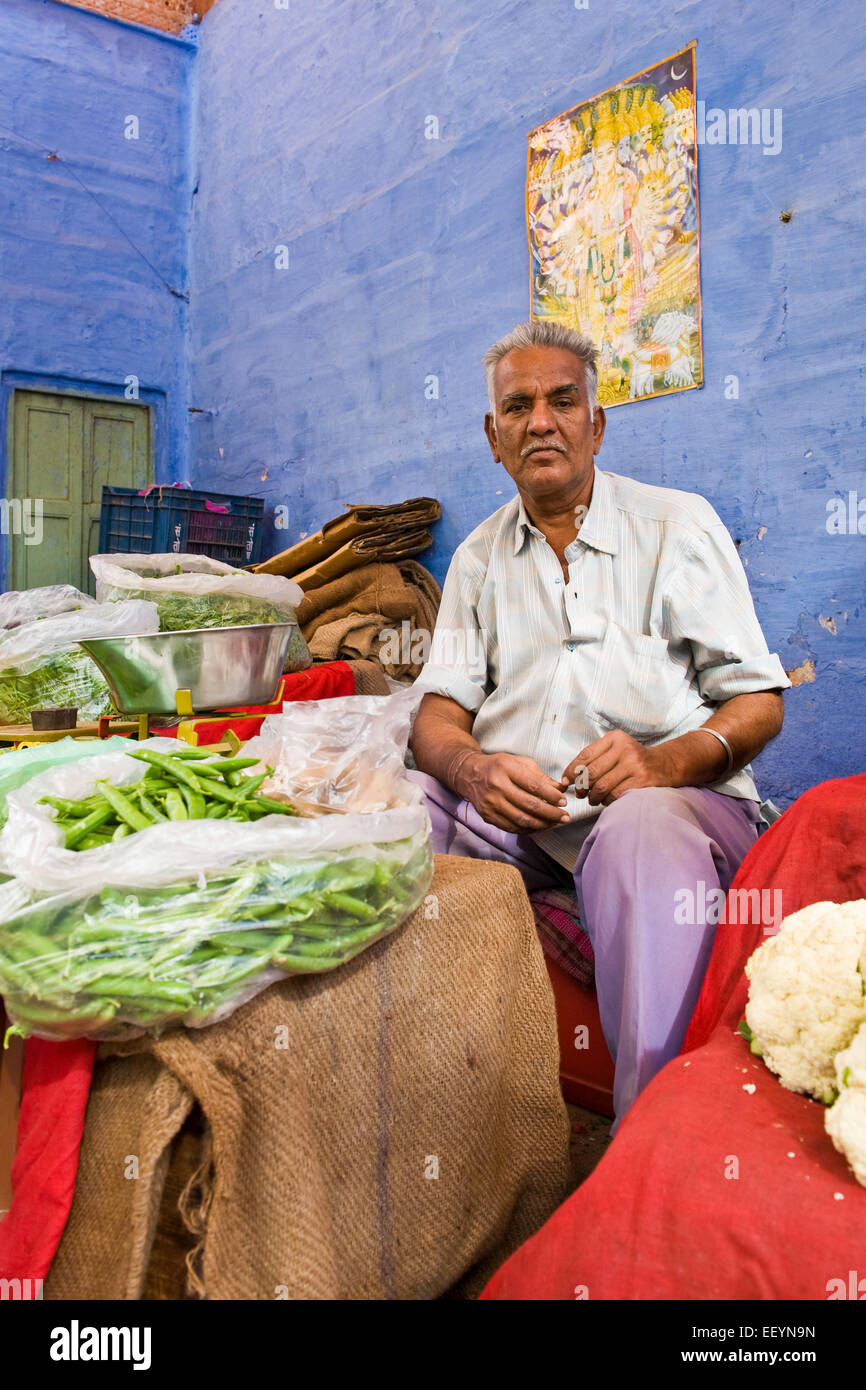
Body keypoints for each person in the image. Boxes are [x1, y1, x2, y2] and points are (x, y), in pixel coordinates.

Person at [407, 319, 790, 1128]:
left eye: (561, 401)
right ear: (493, 435)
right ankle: (432, 1110)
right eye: (517, 407)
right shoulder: (478, 557)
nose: (540, 421)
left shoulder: (676, 527)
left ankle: (656, 1141)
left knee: (639, 827)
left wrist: (665, 763)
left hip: (671, 804)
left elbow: (758, 701)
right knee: (399, 800)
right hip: (526, 824)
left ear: (595, 422)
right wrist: (475, 771)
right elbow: (439, 713)